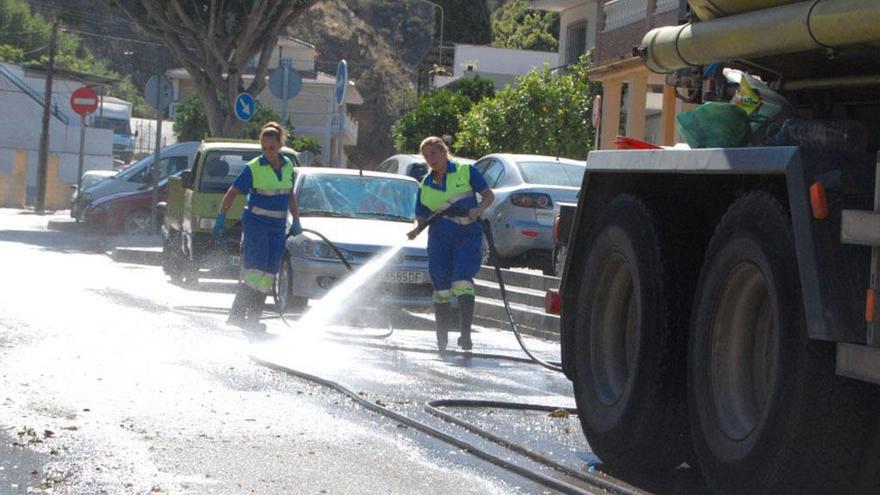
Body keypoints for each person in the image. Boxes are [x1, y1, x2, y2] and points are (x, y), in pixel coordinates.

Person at [213, 122, 303, 331]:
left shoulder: (288, 165)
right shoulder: (253, 167)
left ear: (279, 145)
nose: (267, 152)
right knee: (256, 270)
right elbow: (232, 193)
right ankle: (236, 315)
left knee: (269, 273)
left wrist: (297, 220)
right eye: (264, 148)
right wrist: (221, 217)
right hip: (256, 224)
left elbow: (289, 195)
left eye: (271, 148)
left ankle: (253, 318)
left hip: (277, 227)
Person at [409, 136, 494, 351]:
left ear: (444, 152)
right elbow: (422, 214)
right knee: (441, 286)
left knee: (462, 280)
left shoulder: (466, 171)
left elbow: (488, 195)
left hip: (467, 234)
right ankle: (442, 339)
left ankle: (465, 336)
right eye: (426, 156)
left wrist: (479, 209)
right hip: (439, 238)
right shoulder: (425, 185)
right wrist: (417, 229)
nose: (430, 159)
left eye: (433, 154)